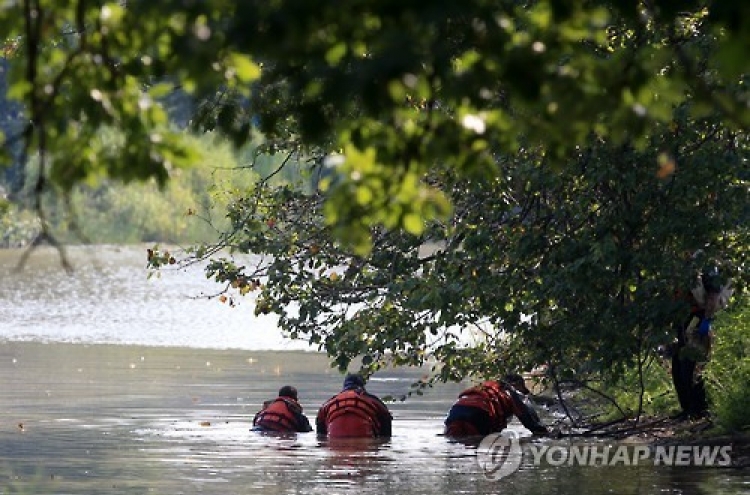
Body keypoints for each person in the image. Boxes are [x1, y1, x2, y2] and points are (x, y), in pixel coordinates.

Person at [671, 263, 733, 419]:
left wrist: (706, 320)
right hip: (681, 318)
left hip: (697, 317)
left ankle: (698, 409)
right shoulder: (676, 262)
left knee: (691, 365)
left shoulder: (704, 262)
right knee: (678, 366)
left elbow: (713, 295)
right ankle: (687, 409)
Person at [444, 373, 548, 437]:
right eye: (522, 388)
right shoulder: (510, 391)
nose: (523, 392)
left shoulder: (485, 387)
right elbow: (529, 422)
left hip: (455, 412)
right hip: (480, 413)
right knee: (477, 445)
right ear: (515, 385)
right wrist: (547, 432)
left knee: (455, 440)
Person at [316, 374, 393, 438]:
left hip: (334, 440)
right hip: (364, 440)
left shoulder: (329, 403)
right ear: (362, 386)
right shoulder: (373, 400)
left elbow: (320, 433)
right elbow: (386, 424)